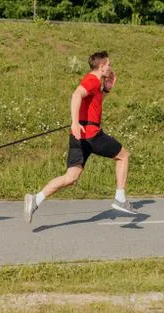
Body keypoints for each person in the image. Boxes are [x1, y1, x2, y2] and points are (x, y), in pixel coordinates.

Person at [24, 51, 136, 223]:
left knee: (71, 177)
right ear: (101, 66)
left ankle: (36, 199)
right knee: (123, 156)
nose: (110, 68)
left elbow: (93, 105)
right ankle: (120, 198)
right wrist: (75, 122)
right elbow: (76, 95)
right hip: (91, 135)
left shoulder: (95, 84)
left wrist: (106, 89)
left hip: (80, 138)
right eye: (109, 65)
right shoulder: (91, 80)